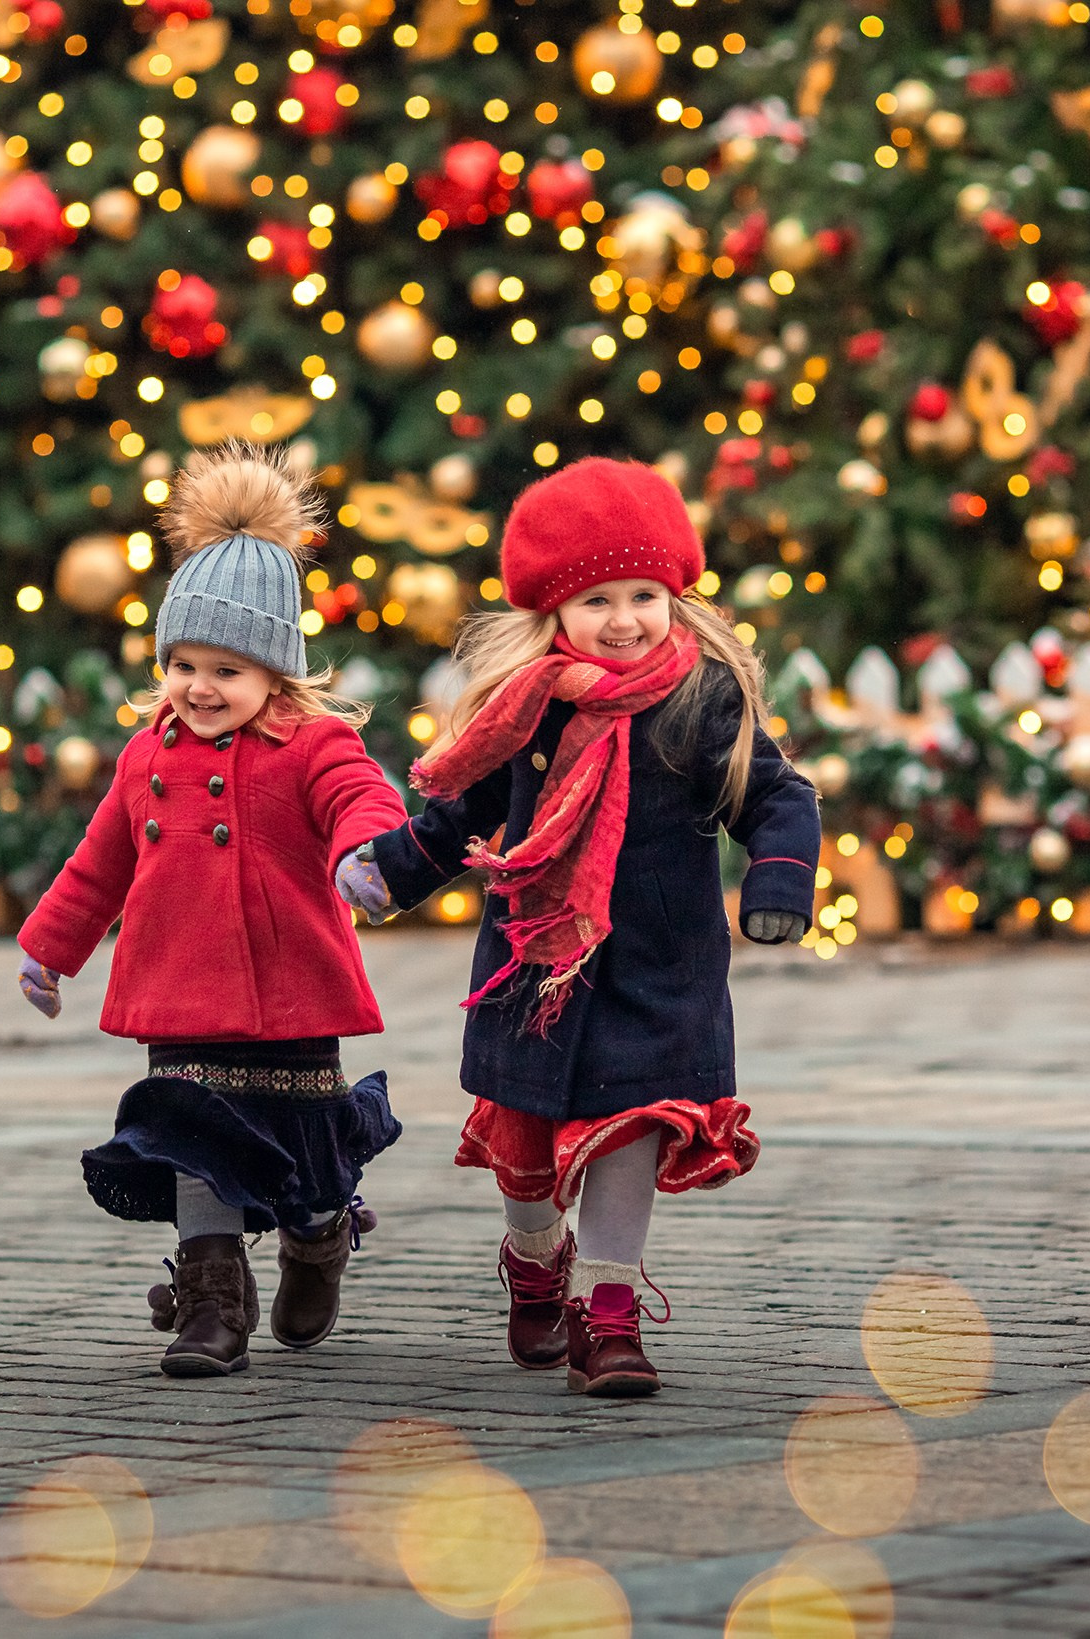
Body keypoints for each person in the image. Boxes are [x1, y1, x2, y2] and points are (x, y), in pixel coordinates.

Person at [334, 458, 819, 1398]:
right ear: (551, 611)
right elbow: (461, 819)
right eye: (598, 598)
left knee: (632, 1130)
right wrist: (389, 873)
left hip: (657, 968)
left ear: (678, 593)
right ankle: (533, 1256)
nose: (627, 618)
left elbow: (773, 794)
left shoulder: (700, 697)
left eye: (646, 594)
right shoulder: (525, 708)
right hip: (536, 968)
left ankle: (609, 1315)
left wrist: (780, 877)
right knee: (526, 1152)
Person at [18, 443, 408, 1379]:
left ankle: (318, 1240)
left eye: (227, 668)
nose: (200, 687)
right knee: (194, 1141)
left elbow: (367, 795)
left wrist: (367, 855)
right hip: (181, 993)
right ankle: (211, 1301)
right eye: (185, 662)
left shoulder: (312, 744)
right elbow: (99, 862)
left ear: (278, 671)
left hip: (294, 991)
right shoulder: (145, 755)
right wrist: (50, 950)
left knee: (304, 1157)